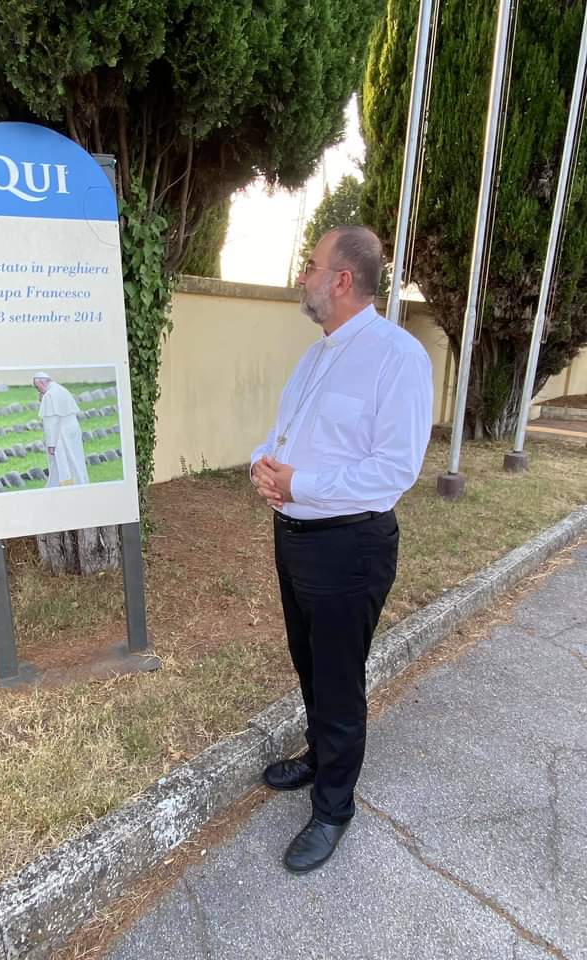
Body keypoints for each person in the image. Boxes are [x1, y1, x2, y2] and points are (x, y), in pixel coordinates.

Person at [251, 225, 433, 874]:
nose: (303, 276)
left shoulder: (398, 358)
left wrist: (300, 484)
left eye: (311, 265)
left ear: (343, 279)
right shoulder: (315, 355)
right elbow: (284, 434)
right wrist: (262, 465)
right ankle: (319, 756)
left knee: (338, 677)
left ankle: (333, 808)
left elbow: (394, 470)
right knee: (309, 664)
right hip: (295, 538)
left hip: (349, 547)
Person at [33, 373, 89, 487]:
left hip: (60, 433)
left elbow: (51, 423)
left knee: (63, 464)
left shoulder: (49, 395)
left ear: (42, 383)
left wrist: (51, 444)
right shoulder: (61, 389)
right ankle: (80, 483)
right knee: (76, 460)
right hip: (73, 429)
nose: (38, 390)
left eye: (37, 387)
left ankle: (65, 486)